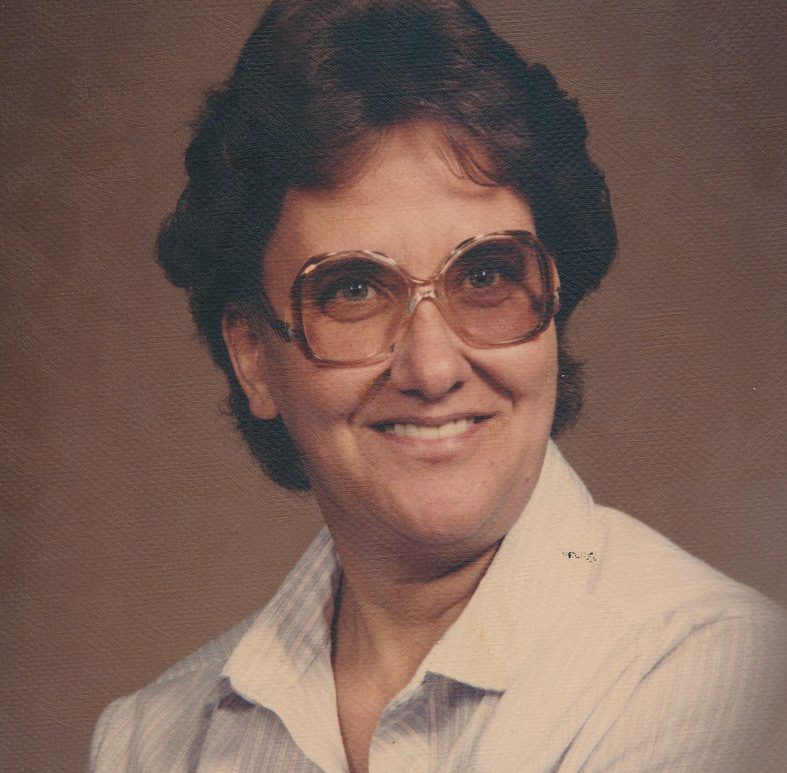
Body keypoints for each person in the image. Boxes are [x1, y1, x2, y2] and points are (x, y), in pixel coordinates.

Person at [88, 1, 787, 770]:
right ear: (253, 355)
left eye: (485, 275)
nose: (432, 368)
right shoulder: (150, 741)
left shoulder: (722, 672)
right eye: (353, 289)